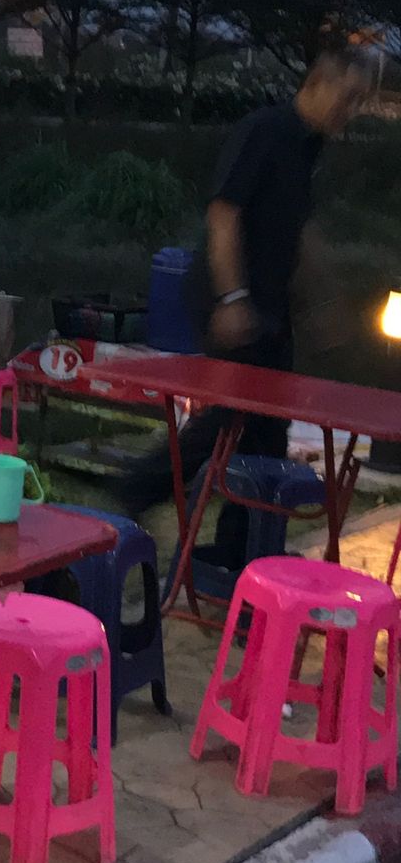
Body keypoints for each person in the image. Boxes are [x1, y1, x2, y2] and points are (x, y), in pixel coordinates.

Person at [117, 50, 371, 563]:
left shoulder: (309, 147)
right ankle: (139, 490)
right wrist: (232, 298)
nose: (352, 110)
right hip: (229, 294)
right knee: (234, 415)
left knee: (268, 431)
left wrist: (324, 299)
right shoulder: (266, 131)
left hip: (270, 303)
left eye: (359, 101)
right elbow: (224, 213)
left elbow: (298, 229)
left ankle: (240, 551)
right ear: (317, 82)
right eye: (348, 97)